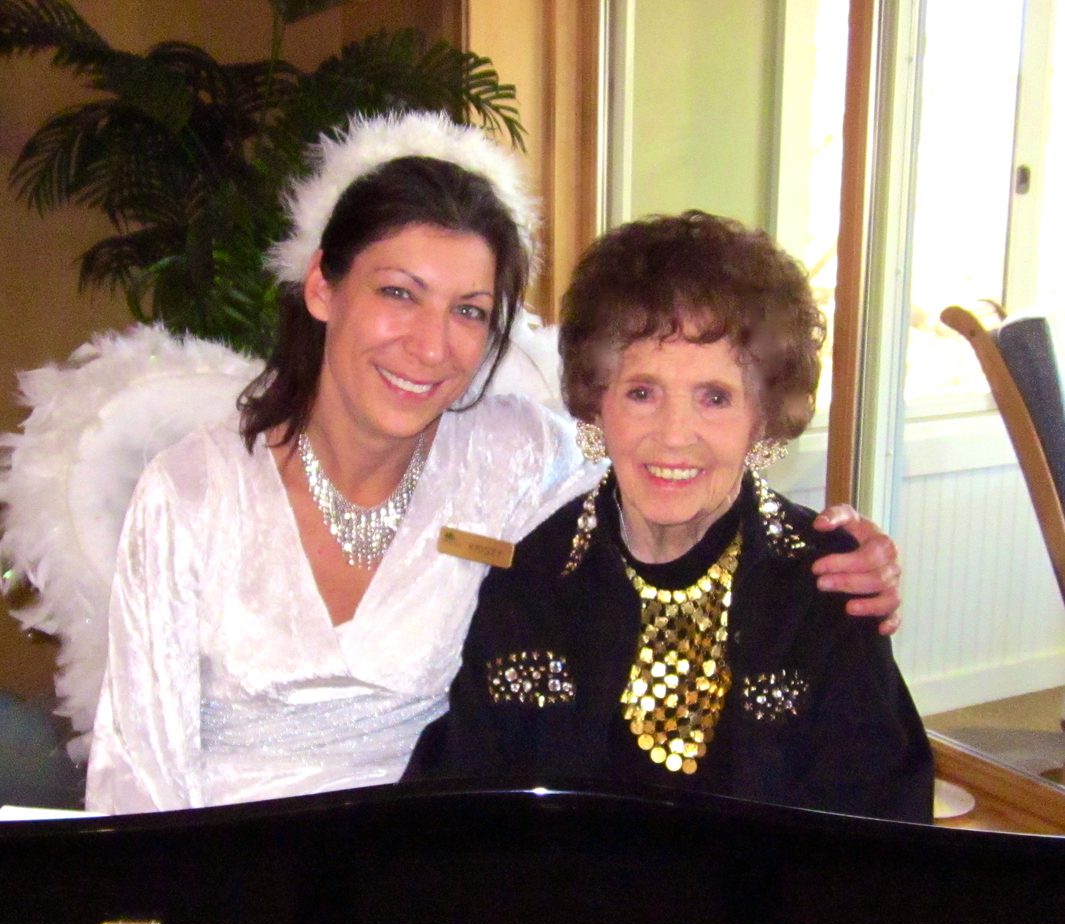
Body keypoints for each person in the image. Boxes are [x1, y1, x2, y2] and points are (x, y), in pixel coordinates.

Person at [84, 113, 903, 814]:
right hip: (233, 864)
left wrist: (851, 548)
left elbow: (655, 484)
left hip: (423, 863)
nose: (430, 344)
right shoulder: (192, 494)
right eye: (398, 293)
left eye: (469, 310)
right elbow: (137, 773)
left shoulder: (511, 459)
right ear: (323, 287)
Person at [404, 211, 933, 823]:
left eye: (715, 397)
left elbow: (880, 832)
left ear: (762, 417)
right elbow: (468, 811)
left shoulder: (825, 583)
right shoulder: (533, 578)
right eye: (642, 392)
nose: (674, 436)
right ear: (596, 403)